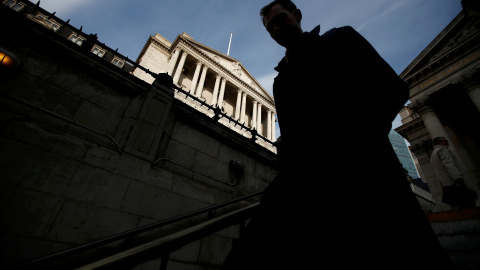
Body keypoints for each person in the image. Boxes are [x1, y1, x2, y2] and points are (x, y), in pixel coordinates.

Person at [222, 1, 454, 269]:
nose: (277, 26)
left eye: (281, 18)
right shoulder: (281, 81)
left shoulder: (341, 39)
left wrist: (360, 140)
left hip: (368, 173)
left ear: (297, 15)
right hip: (310, 185)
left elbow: (393, 89)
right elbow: (292, 136)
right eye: (270, 26)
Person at [430, 137, 478, 210]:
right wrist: (458, 177)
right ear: (440, 142)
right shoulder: (442, 150)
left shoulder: (433, 154)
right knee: (468, 202)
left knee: (460, 205)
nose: (447, 142)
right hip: (454, 182)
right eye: (445, 141)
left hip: (446, 184)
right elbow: (449, 164)